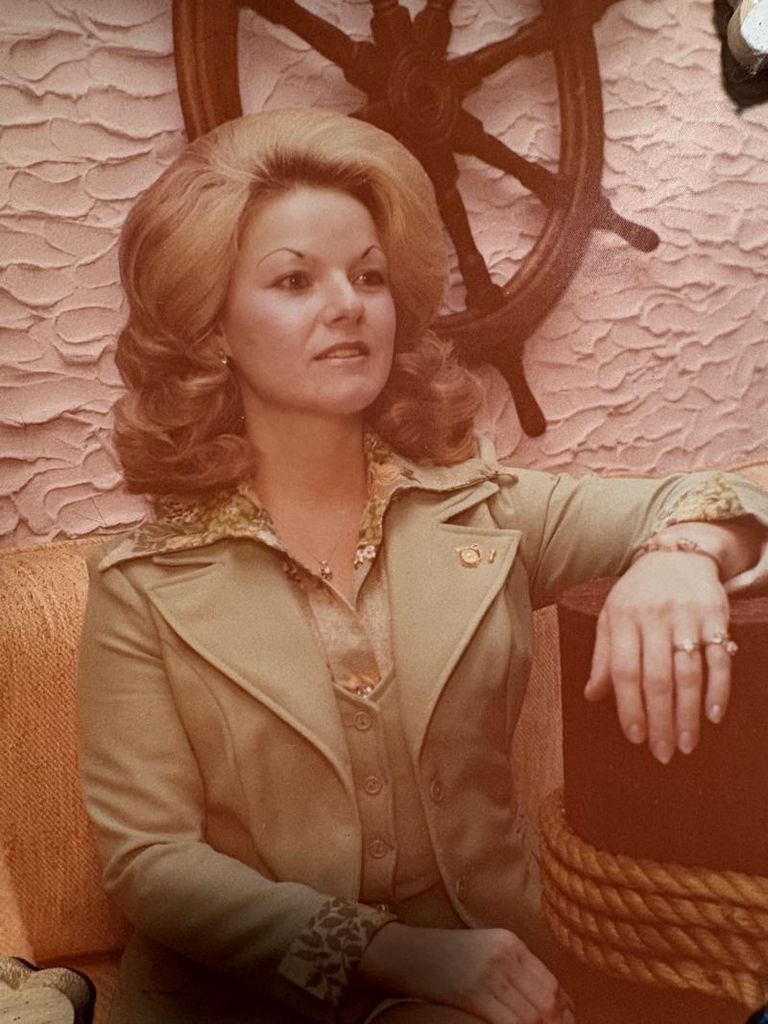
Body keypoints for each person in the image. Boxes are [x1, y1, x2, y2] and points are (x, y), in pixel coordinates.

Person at [77, 107, 768, 1024]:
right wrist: (385, 952)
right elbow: (152, 864)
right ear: (213, 330)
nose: (348, 305)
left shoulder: (485, 511)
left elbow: (726, 496)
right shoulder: (139, 587)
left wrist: (679, 557)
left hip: (508, 981)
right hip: (247, 1001)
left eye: (369, 275)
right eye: (294, 279)